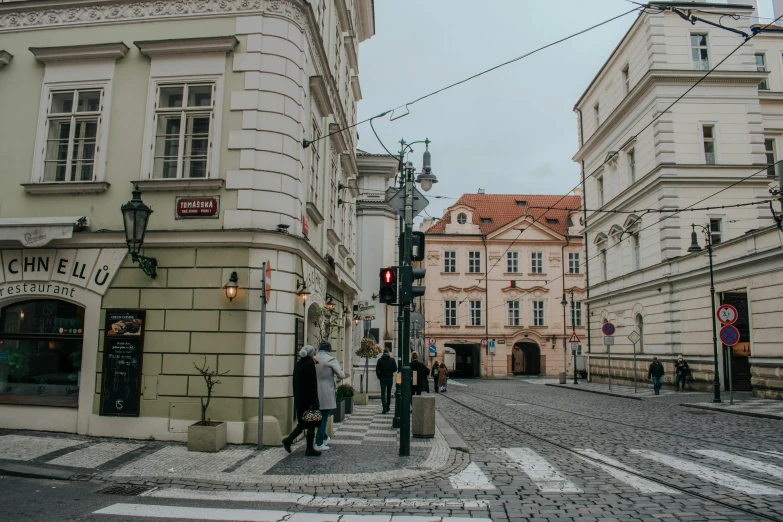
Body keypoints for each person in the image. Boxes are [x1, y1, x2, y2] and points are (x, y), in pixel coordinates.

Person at [282, 345, 322, 457]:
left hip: (300, 398)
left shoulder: (299, 364)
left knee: (304, 423)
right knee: (311, 422)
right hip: (308, 399)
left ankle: (290, 441)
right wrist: (314, 402)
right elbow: (312, 384)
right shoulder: (309, 365)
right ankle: (308, 449)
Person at [313, 340, 346, 451]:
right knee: (324, 418)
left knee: (317, 417)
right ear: (329, 349)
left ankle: (324, 437)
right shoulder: (331, 359)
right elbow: (341, 375)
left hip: (315, 392)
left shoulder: (314, 359)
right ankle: (319, 442)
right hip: (326, 391)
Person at [376, 348, 397, 413]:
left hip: (382, 378)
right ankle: (388, 406)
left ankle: (384, 407)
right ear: (388, 352)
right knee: (388, 393)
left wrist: (379, 376)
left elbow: (377, 370)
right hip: (389, 378)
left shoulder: (380, 360)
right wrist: (390, 372)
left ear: (383, 353)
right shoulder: (392, 360)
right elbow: (395, 369)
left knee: (383, 393)